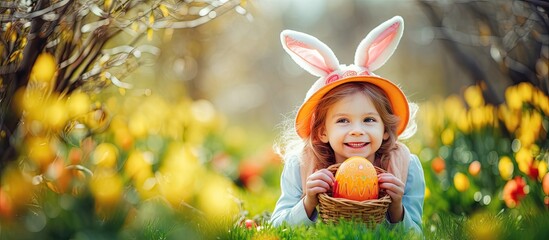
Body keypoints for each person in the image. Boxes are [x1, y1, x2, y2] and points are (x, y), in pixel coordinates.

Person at [270, 16, 425, 234]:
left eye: (369, 120)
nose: (357, 130)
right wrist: (308, 203)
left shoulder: (404, 167)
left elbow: (417, 235)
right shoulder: (302, 166)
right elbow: (277, 229)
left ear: (385, 131)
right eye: (343, 120)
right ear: (323, 131)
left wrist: (397, 209)